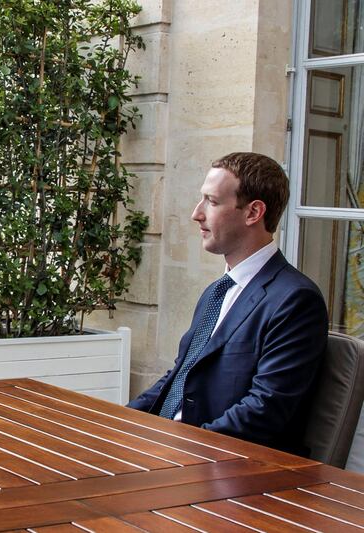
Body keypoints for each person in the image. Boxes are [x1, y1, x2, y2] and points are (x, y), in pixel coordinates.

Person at [128, 152, 328, 454]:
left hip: (224, 469)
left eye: (212, 201)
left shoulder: (295, 300)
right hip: (173, 451)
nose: (197, 213)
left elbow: (263, 409)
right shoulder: (216, 292)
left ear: (253, 213)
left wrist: (180, 447)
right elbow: (181, 375)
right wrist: (121, 420)